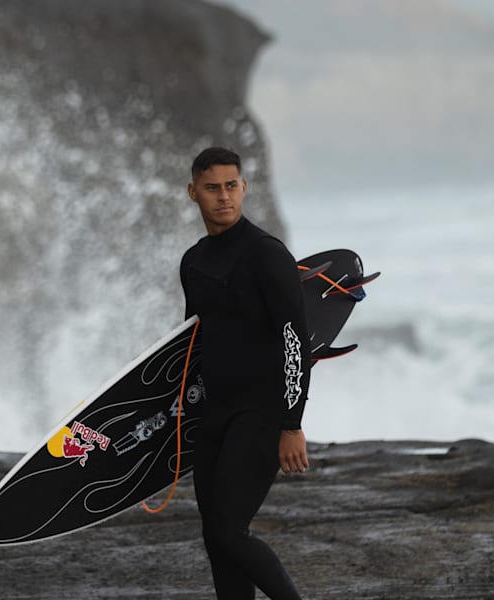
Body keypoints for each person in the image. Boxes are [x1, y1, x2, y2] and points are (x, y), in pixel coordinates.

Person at [180, 147, 311, 599]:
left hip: (261, 412)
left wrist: (291, 424)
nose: (223, 197)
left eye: (231, 186)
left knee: (228, 529)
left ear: (244, 188)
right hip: (214, 415)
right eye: (212, 188)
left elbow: (296, 342)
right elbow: (195, 345)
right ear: (193, 193)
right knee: (216, 538)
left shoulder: (266, 255)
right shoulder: (193, 262)